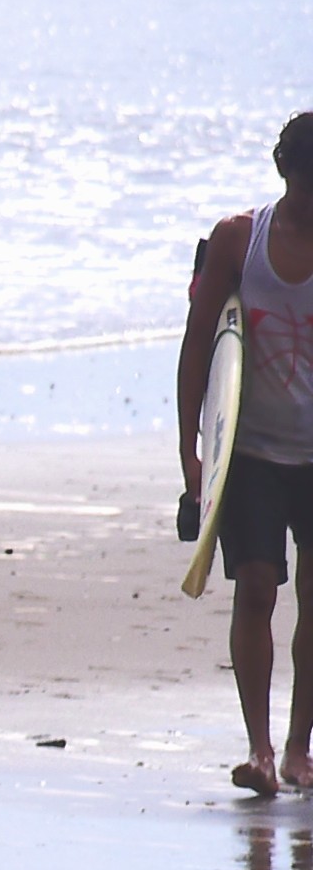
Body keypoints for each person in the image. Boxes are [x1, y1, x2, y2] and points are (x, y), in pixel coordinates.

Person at [180, 111, 313, 796]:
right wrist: (191, 456)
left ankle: (298, 750)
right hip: (253, 452)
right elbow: (199, 346)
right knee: (257, 588)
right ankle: (260, 751)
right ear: (286, 171)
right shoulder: (241, 238)